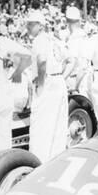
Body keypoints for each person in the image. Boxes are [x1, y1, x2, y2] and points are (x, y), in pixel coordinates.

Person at [28, 10, 73, 163]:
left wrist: (40, 84)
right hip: (58, 80)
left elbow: (41, 61)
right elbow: (71, 61)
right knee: (57, 127)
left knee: (40, 127)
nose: (28, 27)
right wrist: (62, 77)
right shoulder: (53, 39)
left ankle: (38, 163)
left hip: (46, 81)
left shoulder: (39, 40)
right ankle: (55, 162)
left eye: (31, 24)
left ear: (40, 26)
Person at [65, 6, 91, 97]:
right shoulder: (83, 35)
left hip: (78, 80)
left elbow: (76, 64)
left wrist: (75, 86)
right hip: (83, 78)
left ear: (67, 21)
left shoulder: (75, 38)